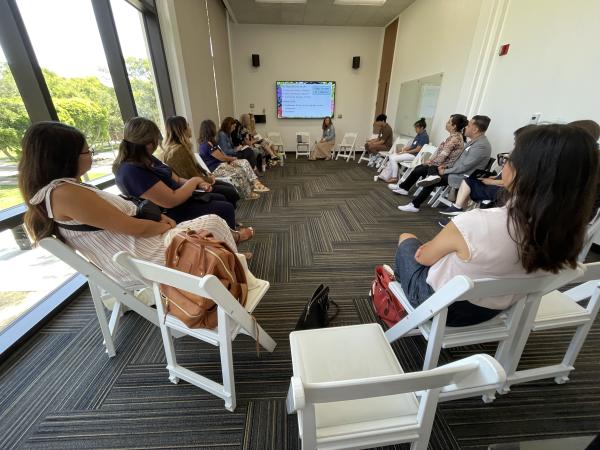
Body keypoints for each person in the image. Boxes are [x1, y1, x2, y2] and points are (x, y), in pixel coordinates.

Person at [394, 124, 599, 327]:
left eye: (508, 159)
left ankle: (396, 303)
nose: (504, 165)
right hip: (494, 310)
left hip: (441, 307)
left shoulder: (475, 222)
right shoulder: (569, 235)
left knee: (407, 239)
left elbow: (423, 257)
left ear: (524, 172)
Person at [18, 121, 253, 289]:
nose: (90, 154)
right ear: (64, 157)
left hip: (134, 248)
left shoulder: (64, 190)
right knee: (213, 220)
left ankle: (230, 266)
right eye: (87, 150)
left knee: (215, 216)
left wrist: (162, 220)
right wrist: (166, 226)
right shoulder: (65, 194)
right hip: (137, 257)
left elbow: (123, 219)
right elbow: (131, 226)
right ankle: (235, 276)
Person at [112, 117, 236, 229]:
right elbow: (171, 200)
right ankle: (228, 243)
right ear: (149, 142)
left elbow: (177, 179)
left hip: (182, 199)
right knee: (225, 208)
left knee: (221, 197)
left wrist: (199, 184)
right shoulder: (130, 172)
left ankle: (227, 233)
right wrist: (196, 181)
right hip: (171, 211)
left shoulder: (147, 158)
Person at [398, 115, 491, 213]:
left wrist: (446, 170)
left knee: (432, 178)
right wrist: (445, 166)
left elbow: (464, 166)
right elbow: (458, 161)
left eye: (468, 125)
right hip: (456, 171)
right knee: (432, 175)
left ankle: (414, 204)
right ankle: (415, 201)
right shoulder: (474, 142)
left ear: (475, 129)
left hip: (463, 177)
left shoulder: (481, 145)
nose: (465, 127)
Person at [161, 115, 240, 208]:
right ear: (182, 130)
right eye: (188, 125)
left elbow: (196, 167)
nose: (190, 128)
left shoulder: (180, 148)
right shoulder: (178, 151)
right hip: (196, 188)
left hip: (199, 182)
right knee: (230, 193)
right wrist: (209, 179)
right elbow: (191, 175)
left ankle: (229, 219)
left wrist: (208, 174)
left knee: (230, 189)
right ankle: (230, 220)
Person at [198, 119, 268, 199]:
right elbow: (221, 157)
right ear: (210, 130)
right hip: (215, 169)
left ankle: (255, 182)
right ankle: (247, 194)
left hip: (221, 164)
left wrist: (230, 160)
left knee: (244, 161)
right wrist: (231, 159)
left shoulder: (212, 142)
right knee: (239, 171)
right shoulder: (205, 145)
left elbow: (222, 154)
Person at [379, 117, 429, 183]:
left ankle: (394, 177)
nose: (415, 129)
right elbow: (412, 146)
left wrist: (406, 152)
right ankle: (385, 175)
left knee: (393, 158)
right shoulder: (419, 135)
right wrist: (403, 149)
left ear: (422, 128)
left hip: (415, 156)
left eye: (416, 128)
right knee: (392, 156)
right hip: (410, 154)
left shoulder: (424, 136)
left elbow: (417, 150)